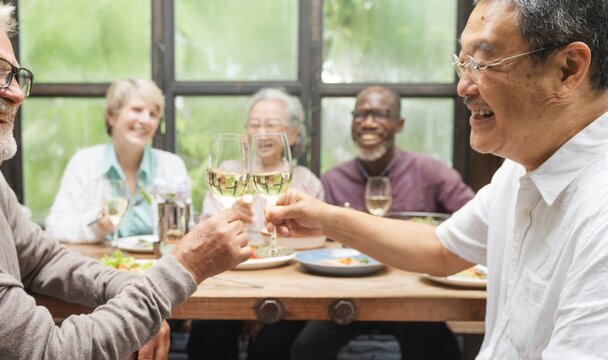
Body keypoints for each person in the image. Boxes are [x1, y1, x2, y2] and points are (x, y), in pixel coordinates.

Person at [0, 1, 252, 359]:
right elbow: (49, 351)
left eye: (16, 76)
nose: (16, 94)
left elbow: (43, 259)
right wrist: (182, 268)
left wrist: (134, 291)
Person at [268, 0, 608, 358]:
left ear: (568, 69)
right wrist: (322, 217)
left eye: (482, 63)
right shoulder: (520, 169)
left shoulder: (598, 209)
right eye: (462, 63)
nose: (463, 86)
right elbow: (441, 249)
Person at [291, 86, 474, 360]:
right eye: (360, 114)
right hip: (350, 292)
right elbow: (321, 244)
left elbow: (474, 220)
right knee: (305, 349)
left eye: (379, 114)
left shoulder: (430, 171)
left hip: (412, 294)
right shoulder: (334, 179)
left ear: (399, 124)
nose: (367, 122)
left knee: (436, 346)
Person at [188, 87, 324, 360]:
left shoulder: (306, 182)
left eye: (272, 125)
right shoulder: (226, 173)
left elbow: (316, 245)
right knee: (208, 331)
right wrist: (223, 219)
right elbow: (202, 235)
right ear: (245, 132)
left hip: (288, 289)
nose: (262, 133)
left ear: (293, 134)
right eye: (255, 125)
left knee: (273, 344)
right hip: (228, 283)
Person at [45, 78, 190, 243]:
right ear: (112, 116)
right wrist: (97, 225)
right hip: (99, 265)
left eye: (153, 114)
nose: (145, 120)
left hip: (158, 266)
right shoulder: (84, 163)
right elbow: (55, 228)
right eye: (137, 109)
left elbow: (186, 230)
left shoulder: (172, 166)